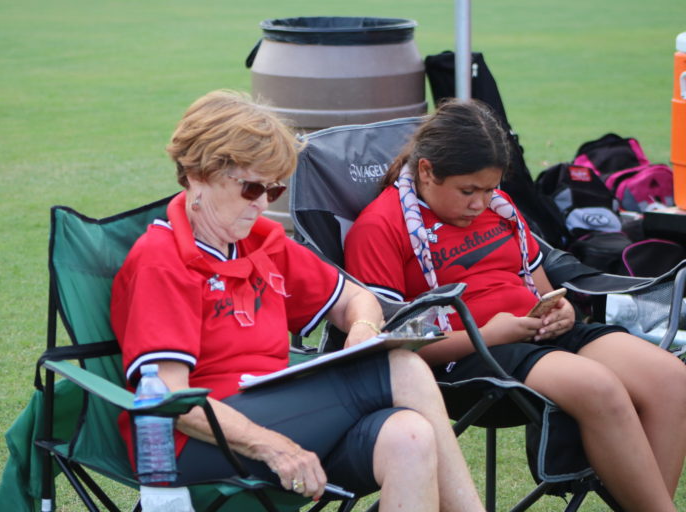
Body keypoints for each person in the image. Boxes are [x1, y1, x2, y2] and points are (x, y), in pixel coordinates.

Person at [110, 90, 485, 511]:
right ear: (199, 174)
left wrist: (362, 329)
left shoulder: (262, 243)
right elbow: (171, 401)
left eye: (274, 190)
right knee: (403, 367)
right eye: (251, 188)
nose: (262, 205)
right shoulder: (163, 260)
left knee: (409, 437)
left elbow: (356, 298)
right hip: (195, 444)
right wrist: (273, 446)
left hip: (278, 414)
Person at [344, 98, 686, 512]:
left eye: (489, 189)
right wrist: (488, 334)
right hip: (468, 354)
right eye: (468, 191)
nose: (480, 204)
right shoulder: (380, 227)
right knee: (598, 385)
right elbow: (393, 344)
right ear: (427, 171)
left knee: (672, 379)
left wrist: (561, 312)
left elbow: (539, 289)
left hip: (536, 333)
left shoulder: (499, 208)